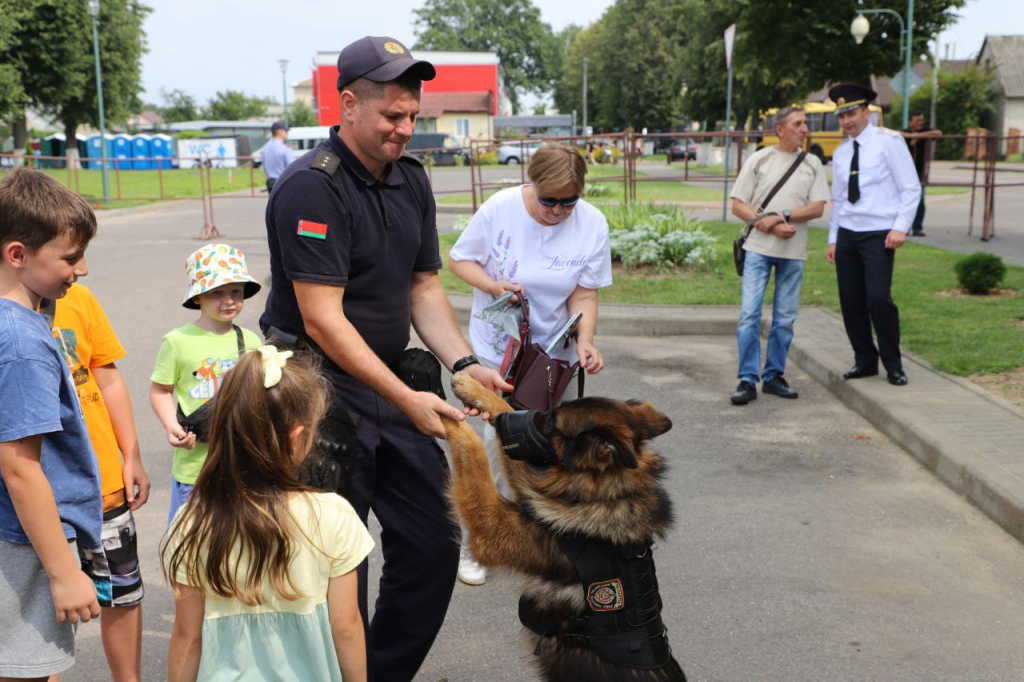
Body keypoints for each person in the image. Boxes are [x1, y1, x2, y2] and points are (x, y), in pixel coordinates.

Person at [259, 36, 510, 681]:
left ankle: (378, 674)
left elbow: (423, 286)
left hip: (390, 382)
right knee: (337, 561)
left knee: (433, 542)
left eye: (413, 116)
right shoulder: (311, 188)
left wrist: (462, 366)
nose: (405, 128)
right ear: (348, 105)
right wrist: (407, 399)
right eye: (392, 116)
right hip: (315, 389)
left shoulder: (411, 179)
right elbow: (322, 317)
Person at [448, 144, 613, 584]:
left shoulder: (592, 223)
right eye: (549, 200)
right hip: (499, 350)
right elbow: (459, 260)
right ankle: (476, 542)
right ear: (533, 184)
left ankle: (532, 532)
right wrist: (492, 284)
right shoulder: (501, 208)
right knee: (495, 443)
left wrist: (586, 341)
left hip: (552, 357)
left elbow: (585, 293)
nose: (558, 211)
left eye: (568, 202)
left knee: (545, 443)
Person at [162, 348, 373, 682]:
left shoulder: (193, 520)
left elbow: (188, 636)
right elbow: (346, 627)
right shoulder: (334, 516)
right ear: (298, 438)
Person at [0, 168, 102, 679]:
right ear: (18, 254)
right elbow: (20, 468)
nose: (81, 269)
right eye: (70, 257)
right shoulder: (22, 342)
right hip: (24, 540)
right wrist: (63, 573)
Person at [51, 282, 151, 681]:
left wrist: (131, 455)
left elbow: (106, 377)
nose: (81, 269)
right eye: (71, 257)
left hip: (103, 486)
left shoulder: (77, 297)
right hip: (36, 502)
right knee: (43, 610)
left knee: (122, 595)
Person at [150, 243, 263, 524]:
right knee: (194, 541)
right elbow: (160, 390)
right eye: (217, 292)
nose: (229, 300)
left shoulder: (250, 340)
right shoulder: (177, 341)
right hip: (195, 468)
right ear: (198, 297)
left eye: (236, 291)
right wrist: (171, 425)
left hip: (242, 465)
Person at [729, 106, 830, 405]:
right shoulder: (760, 159)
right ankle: (747, 379)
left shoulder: (812, 163)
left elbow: (817, 207)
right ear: (780, 130)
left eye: (805, 123)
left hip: (793, 253)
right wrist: (769, 225)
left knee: (784, 318)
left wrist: (782, 215)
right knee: (749, 315)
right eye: (798, 124)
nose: (805, 129)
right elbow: (738, 205)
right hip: (758, 250)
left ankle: (774, 376)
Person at [826, 84, 921, 387]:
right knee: (851, 301)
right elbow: (839, 199)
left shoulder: (889, 142)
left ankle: (893, 364)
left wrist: (900, 227)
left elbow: (910, 187)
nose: (846, 122)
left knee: (879, 299)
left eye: (851, 114)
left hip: (879, 233)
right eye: (842, 117)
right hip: (848, 234)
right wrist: (833, 238)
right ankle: (865, 361)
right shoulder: (841, 153)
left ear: (866, 113)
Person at [901, 112, 942, 237]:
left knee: (920, 200)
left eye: (921, 121)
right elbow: (895, 134)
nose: (920, 123)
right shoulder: (905, 131)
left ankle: (917, 228)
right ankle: (903, 228)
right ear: (910, 123)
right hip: (904, 171)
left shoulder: (925, 130)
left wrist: (919, 136)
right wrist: (912, 136)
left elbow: (938, 133)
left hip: (919, 171)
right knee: (903, 199)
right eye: (917, 121)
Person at [261, 121, 294, 192]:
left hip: (270, 182)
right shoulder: (285, 148)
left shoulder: (265, 148)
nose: (287, 133)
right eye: (285, 131)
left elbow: (265, 170)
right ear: (280, 132)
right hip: (283, 182)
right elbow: (292, 167)